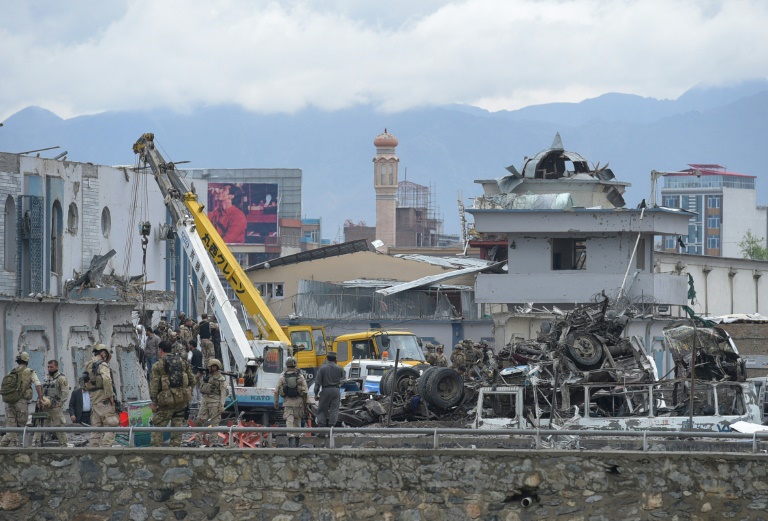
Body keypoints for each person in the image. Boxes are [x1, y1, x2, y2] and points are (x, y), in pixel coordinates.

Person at [150, 340, 195, 447]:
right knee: (177, 430)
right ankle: (176, 455)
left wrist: (154, 402)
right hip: (181, 402)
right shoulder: (183, 362)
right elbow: (192, 381)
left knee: (158, 428)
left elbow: (154, 386)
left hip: (166, 403)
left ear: (160, 350)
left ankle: (155, 455)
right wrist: (187, 392)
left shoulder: (158, 365)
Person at [0, 351, 43, 447]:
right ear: (27, 361)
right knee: (22, 427)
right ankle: (18, 449)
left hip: (10, 401)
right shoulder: (30, 371)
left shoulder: (11, 372)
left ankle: (9, 448)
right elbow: (38, 384)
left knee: (11, 428)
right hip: (21, 402)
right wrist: (40, 398)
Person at [85, 344, 120, 447]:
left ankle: (94, 448)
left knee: (96, 426)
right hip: (103, 397)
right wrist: (110, 396)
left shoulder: (88, 364)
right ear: (103, 353)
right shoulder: (102, 364)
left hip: (94, 397)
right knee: (111, 423)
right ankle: (106, 448)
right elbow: (107, 380)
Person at [33, 360, 70, 447]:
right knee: (40, 426)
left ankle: (64, 445)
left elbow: (65, 393)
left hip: (55, 407)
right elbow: (42, 391)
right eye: (48, 367)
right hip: (45, 406)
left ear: (56, 367)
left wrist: (60, 404)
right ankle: (35, 444)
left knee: (59, 426)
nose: (49, 369)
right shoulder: (47, 378)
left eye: (51, 367)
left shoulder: (61, 379)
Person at [274, 357, 308, 447]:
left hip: (288, 402)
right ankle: (297, 442)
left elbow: (276, 391)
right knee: (297, 422)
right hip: (299, 403)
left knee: (289, 421)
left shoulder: (282, 377)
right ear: (295, 364)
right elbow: (306, 392)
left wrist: (276, 403)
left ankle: (291, 441)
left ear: (286, 365)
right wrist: (306, 405)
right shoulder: (300, 377)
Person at [313, 351, 345, 431]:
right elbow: (343, 379)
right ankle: (332, 428)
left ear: (327, 359)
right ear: (335, 360)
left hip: (325, 390)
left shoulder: (322, 369)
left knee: (322, 410)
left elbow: (317, 382)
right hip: (336, 390)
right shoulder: (340, 368)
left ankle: (322, 428)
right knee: (334, 410)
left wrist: (316, 393)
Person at [196, 358, 227, 427]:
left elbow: (223, 392)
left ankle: (213, 438)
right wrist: (198, 379)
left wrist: (222, 405)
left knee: (214, 424)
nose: (210, 368)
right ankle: (199, 436)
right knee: (199, 421)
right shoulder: (207, 376)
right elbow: (201, 388)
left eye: (211, 366)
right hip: (205, 401)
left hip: (215, 403)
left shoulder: (221, 379)